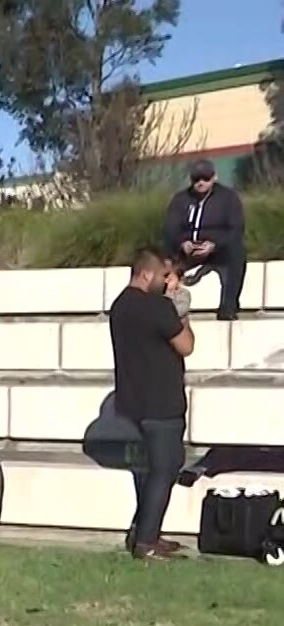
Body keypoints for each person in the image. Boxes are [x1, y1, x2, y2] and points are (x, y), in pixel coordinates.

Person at [110, 248, 196, 561]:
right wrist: (181, 310)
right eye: (163, 275)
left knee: (157, 469)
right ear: (147, 274)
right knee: (164, 469)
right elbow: (186, 345)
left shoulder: (120, 305)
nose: (166, 281)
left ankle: (144, 531)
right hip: (162, 403)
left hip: (133, 403)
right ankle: (146, 542)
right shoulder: (158, 307)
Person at [163, 160, 245, 321]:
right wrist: (183, 243)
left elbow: (236, 229)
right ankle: (161, 306)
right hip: (187, 248)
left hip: (217, 250)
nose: (201, 183)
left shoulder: (228, 198)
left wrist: (214, 245)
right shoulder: (181, 199)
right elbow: (170, 228)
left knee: (236, 252)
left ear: (214, 177)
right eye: (196, 179)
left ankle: (228, 307)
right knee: (158, 254)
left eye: (205, 178)